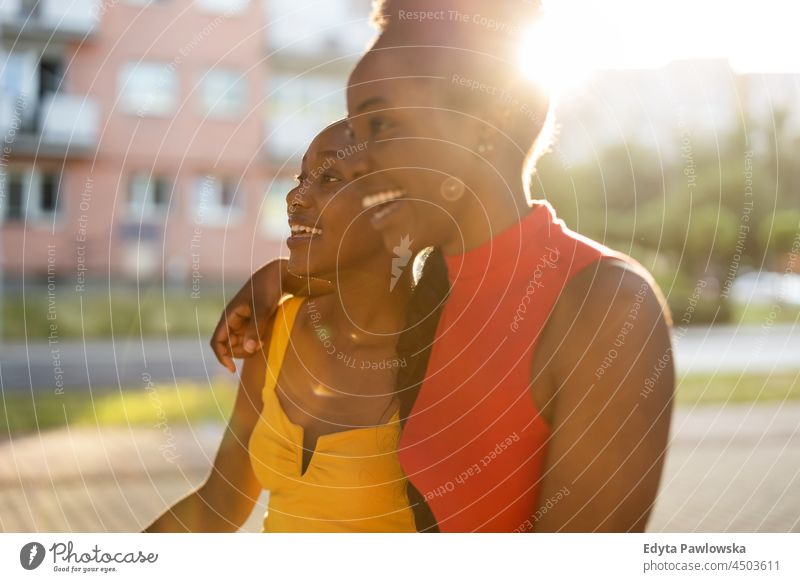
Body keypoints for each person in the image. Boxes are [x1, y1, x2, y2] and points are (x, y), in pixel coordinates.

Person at [211, 0, 675, 532]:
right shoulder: (437, 293)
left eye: (380, 124)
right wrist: (279, 278)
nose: (359, 160)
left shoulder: (605, 306)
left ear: (485, 123)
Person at [145, 120, 422, 532]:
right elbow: (220, 502)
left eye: (328, 177)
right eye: (300, 178)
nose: (295, 197)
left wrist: (277, 275)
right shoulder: (277, 329)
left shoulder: (439, 353)